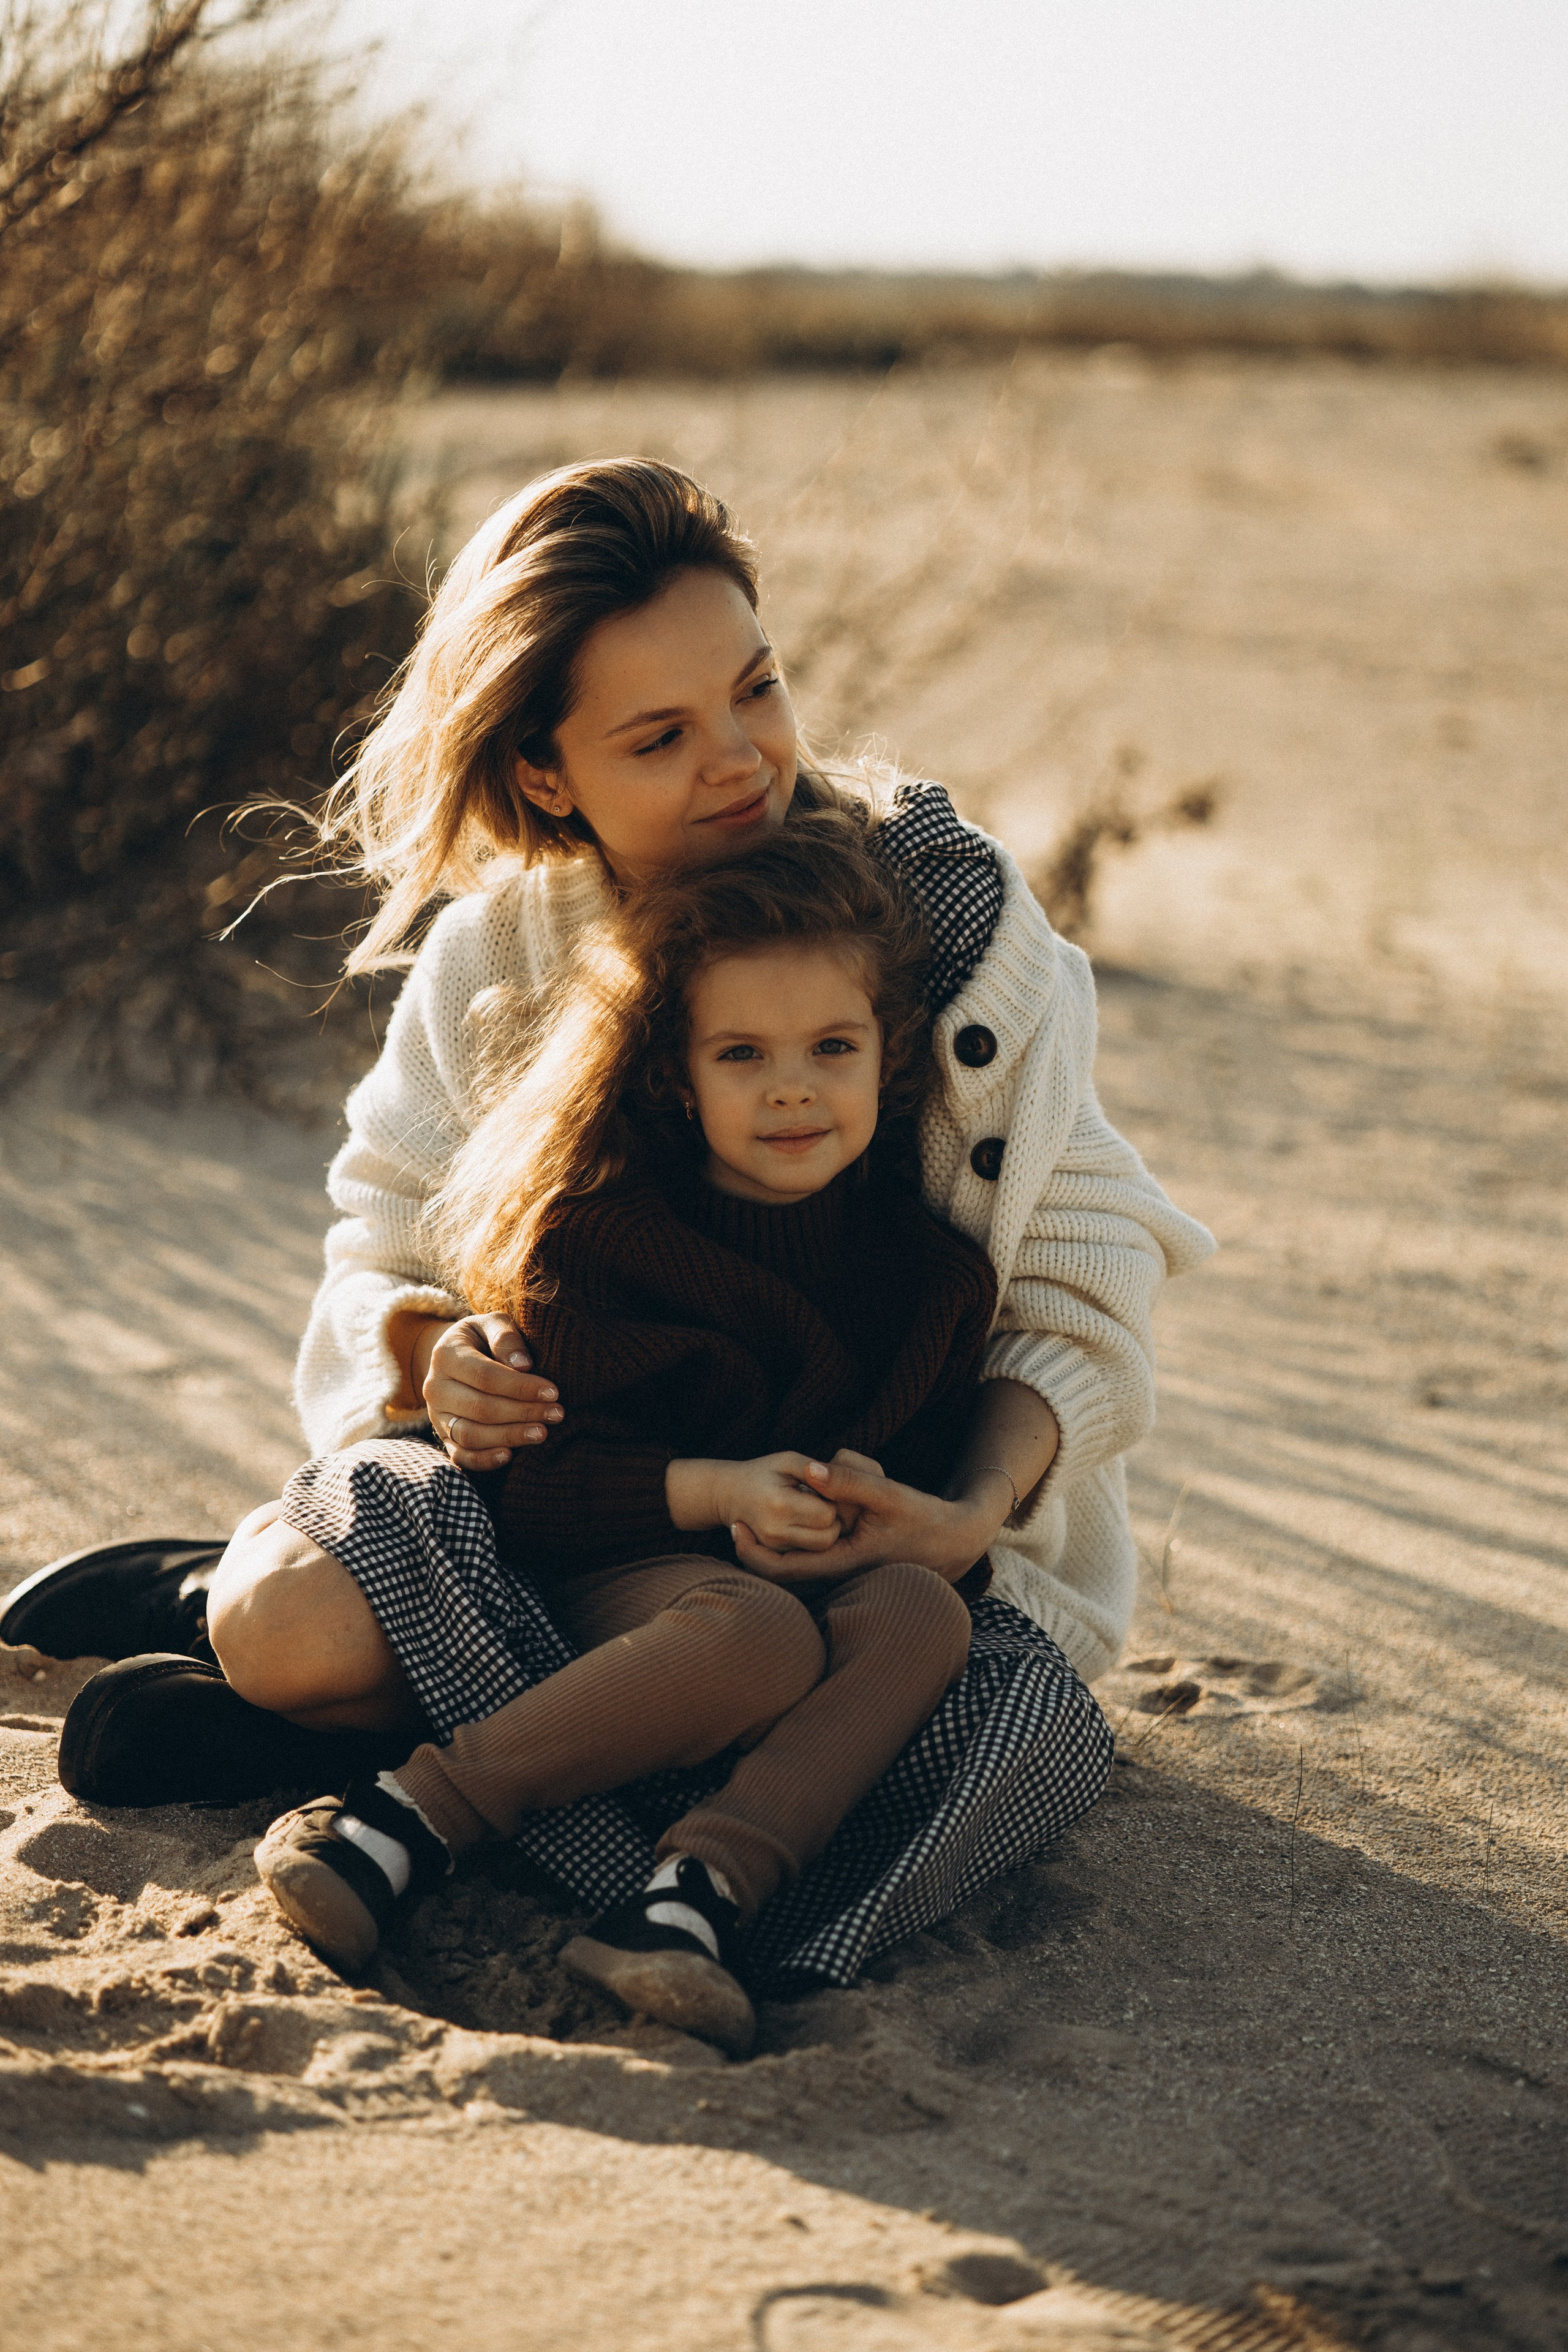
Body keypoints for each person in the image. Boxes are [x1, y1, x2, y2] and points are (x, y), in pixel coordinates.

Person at [34, 458, 1212, 1998]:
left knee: (959, 1732)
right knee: (292, 1627)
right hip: (571, 1510)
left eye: (756, 690)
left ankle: (398, 1750)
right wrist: (425, 1350)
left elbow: (1082, 1267)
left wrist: (973, 1508)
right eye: (657, 737)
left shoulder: (948, 928)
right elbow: (385, 1230)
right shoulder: (499, 958)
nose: (740, 763)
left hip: (859, 1547)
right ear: (543, 775)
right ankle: (241, 1622)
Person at [254, 821, 1019, 2054]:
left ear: (893, 1062)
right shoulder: (598, 1241)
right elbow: (531, 1496)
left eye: (832, 1048)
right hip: (619, 1577)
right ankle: (405, 1823)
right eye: (742, 1054)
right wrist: (715, 1489)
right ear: (678, 1078)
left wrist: (888, 1517)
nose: (791, 1088)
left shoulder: (931, 1283)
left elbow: (928, 1515)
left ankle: (688, 1903)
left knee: (927, 1614)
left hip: (809, 1586)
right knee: (754, 1632)